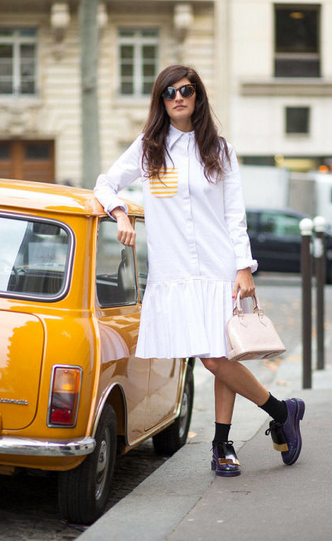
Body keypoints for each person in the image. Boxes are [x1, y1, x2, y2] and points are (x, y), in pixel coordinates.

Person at [94, 64, 305, 476]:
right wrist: (119, 213)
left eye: (186, 90)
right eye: (169, 92)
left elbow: (234, 214)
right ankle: (282, 411)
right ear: (161, 100)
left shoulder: (220, 149)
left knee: (216, 356)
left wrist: (244, 267)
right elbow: (105, 183)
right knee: (214, 355)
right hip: (174, 271)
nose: (178, 97)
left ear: (197, 96)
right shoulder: (148, 147)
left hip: (218, 267)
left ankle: (223, 444)